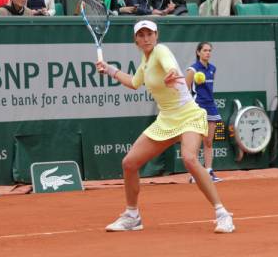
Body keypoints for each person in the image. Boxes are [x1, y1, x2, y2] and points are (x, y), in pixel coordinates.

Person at [96, 20, 235, 233]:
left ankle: (223, 214)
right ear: (136, 40)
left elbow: (169, 64)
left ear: (156, 35)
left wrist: (172, 73)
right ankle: (132, 216)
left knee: (189, 158)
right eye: (141, 35)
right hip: (166, 120)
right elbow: (134, 83)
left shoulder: (161, 50)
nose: (146, 38)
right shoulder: (145, 61)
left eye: (149, 34)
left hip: (188, 115)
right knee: (129, 163)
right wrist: (110, 70)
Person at [186, 42, 222, 183]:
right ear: (198, 52)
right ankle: (195, 174)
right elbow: (185, 88)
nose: (207, 53)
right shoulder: (193, 70)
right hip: (197, 108)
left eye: (209, 50)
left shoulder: (213, 69)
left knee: (208, 141)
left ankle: (208, 171)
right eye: (205, 50)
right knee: (196, 142)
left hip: (211, 106)